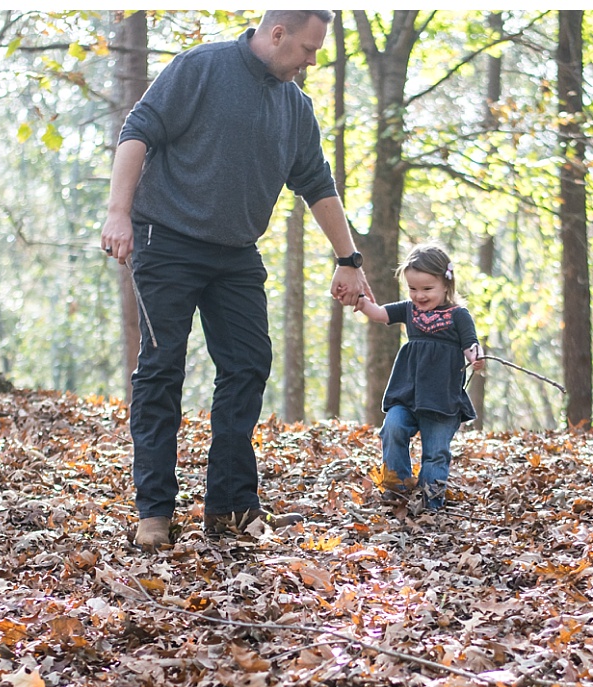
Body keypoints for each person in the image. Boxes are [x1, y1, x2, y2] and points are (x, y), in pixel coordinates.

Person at [100, 10, 372, 550]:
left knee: (248, 365)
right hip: (166, 240)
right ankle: (154, 512)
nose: (313, 61)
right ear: (276, 35)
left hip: (235, 254)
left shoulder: (294, 107)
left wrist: (351, 259)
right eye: (308, 49)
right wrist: (117, 212)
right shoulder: (200, 68)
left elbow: (317, 184)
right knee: (161, 370)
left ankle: (230, 508)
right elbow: (138, 132)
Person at [353, 243, 484, 513]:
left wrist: (476, 356)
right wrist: (361, 302)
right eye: (413, 288)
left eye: (427, 289)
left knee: (436, 452)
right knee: (393, 428)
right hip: (407, 393)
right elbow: (379, 314)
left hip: (442, 398)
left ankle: (430, 503)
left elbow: (471, 344)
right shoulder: (409, 310)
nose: (419, 296)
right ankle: (397, 488)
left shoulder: (458, 316)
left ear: (446, 285)